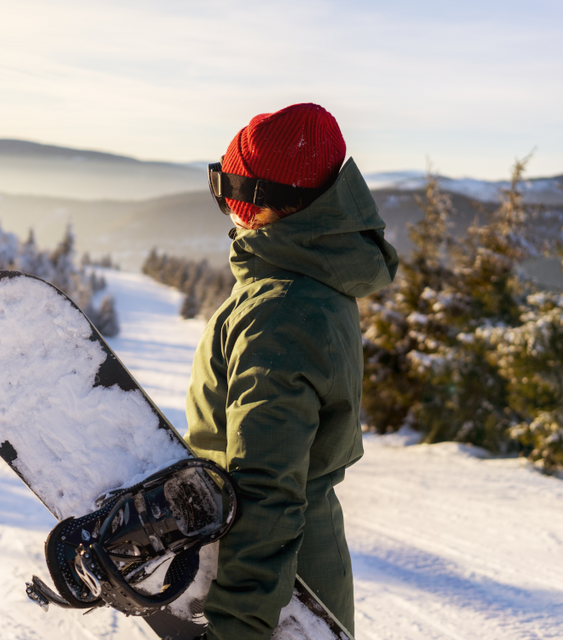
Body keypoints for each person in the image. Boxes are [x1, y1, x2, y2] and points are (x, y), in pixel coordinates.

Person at [185, 103, 398, 640]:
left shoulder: (280, 312)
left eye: (227, 190)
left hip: (278, 594)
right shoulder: (309, 281)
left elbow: (266, 487)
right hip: (288, 570)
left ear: (261, 203)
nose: (227, 210)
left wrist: (237, 627)